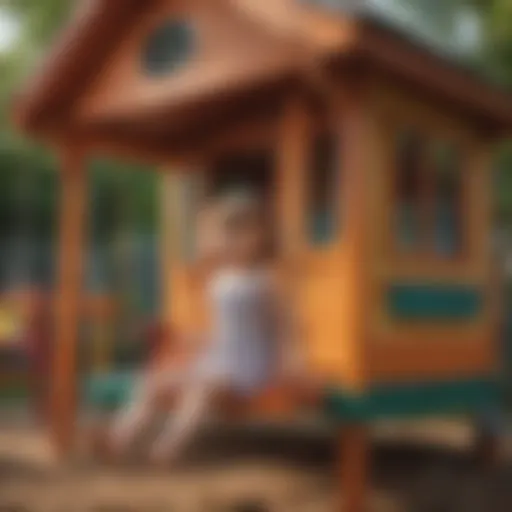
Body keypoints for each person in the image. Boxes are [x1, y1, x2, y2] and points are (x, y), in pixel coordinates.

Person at [103, 188, 309, 464]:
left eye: (241, 234)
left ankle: (167, 449)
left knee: (199, 389)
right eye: (228, 235)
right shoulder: (219, 278)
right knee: (153, 381)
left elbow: (285, 325)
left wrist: (292, 362)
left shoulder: (265, 280)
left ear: (258, 237)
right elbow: (222, 328)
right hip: (218, 357)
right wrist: (196, 340)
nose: (233, 242)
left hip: (248, 364)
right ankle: (118, 438)